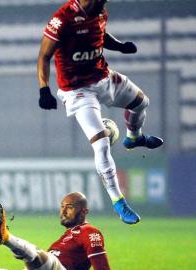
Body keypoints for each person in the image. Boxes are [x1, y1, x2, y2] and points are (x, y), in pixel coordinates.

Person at [36, 0, 164, 224]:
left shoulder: (101, 12)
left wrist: (121, 46)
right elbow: (44, 56)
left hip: (104, 78)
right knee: (102, 143)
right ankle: (119, 202)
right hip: (78, 91)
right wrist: (44, 89)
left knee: (141, 103)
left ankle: (134, 137)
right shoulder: (63, 18)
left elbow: (100, 35)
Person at [0, 192, 111, 270]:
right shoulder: (67, 236)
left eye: (70, 207)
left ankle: (6, 237)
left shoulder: (90, 232)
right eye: (62, 206)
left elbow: (102, 267)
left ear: (84, 212)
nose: (63, 211)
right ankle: (6, 237)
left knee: (41, 256)